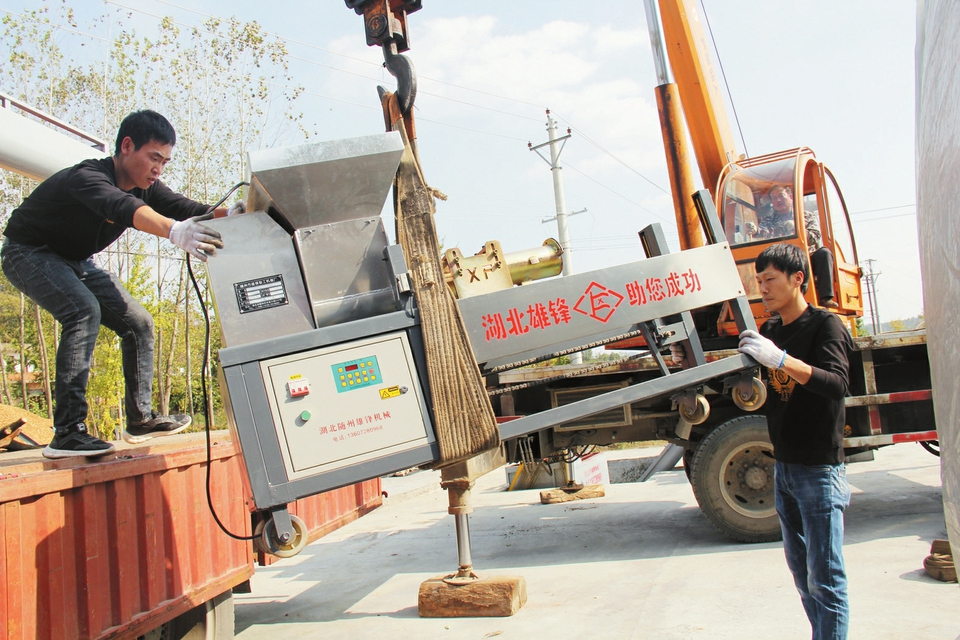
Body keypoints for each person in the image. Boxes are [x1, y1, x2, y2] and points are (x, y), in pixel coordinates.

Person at [1, 110, 227, 459]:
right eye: (154, 158)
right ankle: (67, 433)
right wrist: (173, 231)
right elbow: (120, 206)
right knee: (83, 311)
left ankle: (141, 419)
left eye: (164, 162)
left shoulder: (147, 187)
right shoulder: (87, 177)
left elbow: (187, 208)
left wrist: (234, 214)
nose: (158, 169)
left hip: (74, 260)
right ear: (127, 146)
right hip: (27, 251)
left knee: (138, 322)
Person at [738, 243, 854, 640]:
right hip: (784, 468)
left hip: (819, 469)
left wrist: (781, 361)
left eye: (770, 279)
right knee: (803, 576)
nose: (763, 288)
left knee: (826, 579)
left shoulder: (826, 326)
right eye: (759, 281)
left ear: (797, 278)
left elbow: (836, 384)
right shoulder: (771, 331)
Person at [751, 184, 838, 308]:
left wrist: (799, 230)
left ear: (790, 196)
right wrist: (754, 230)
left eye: (781, 196)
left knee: (824, 253)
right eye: (774, 198)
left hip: (806, 256)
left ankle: (825, 298)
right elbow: (762, 232)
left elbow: (815, 236)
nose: (778, 200)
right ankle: (770, 299)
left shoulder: (806, 215)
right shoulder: (769, 220)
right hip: (781, 260)